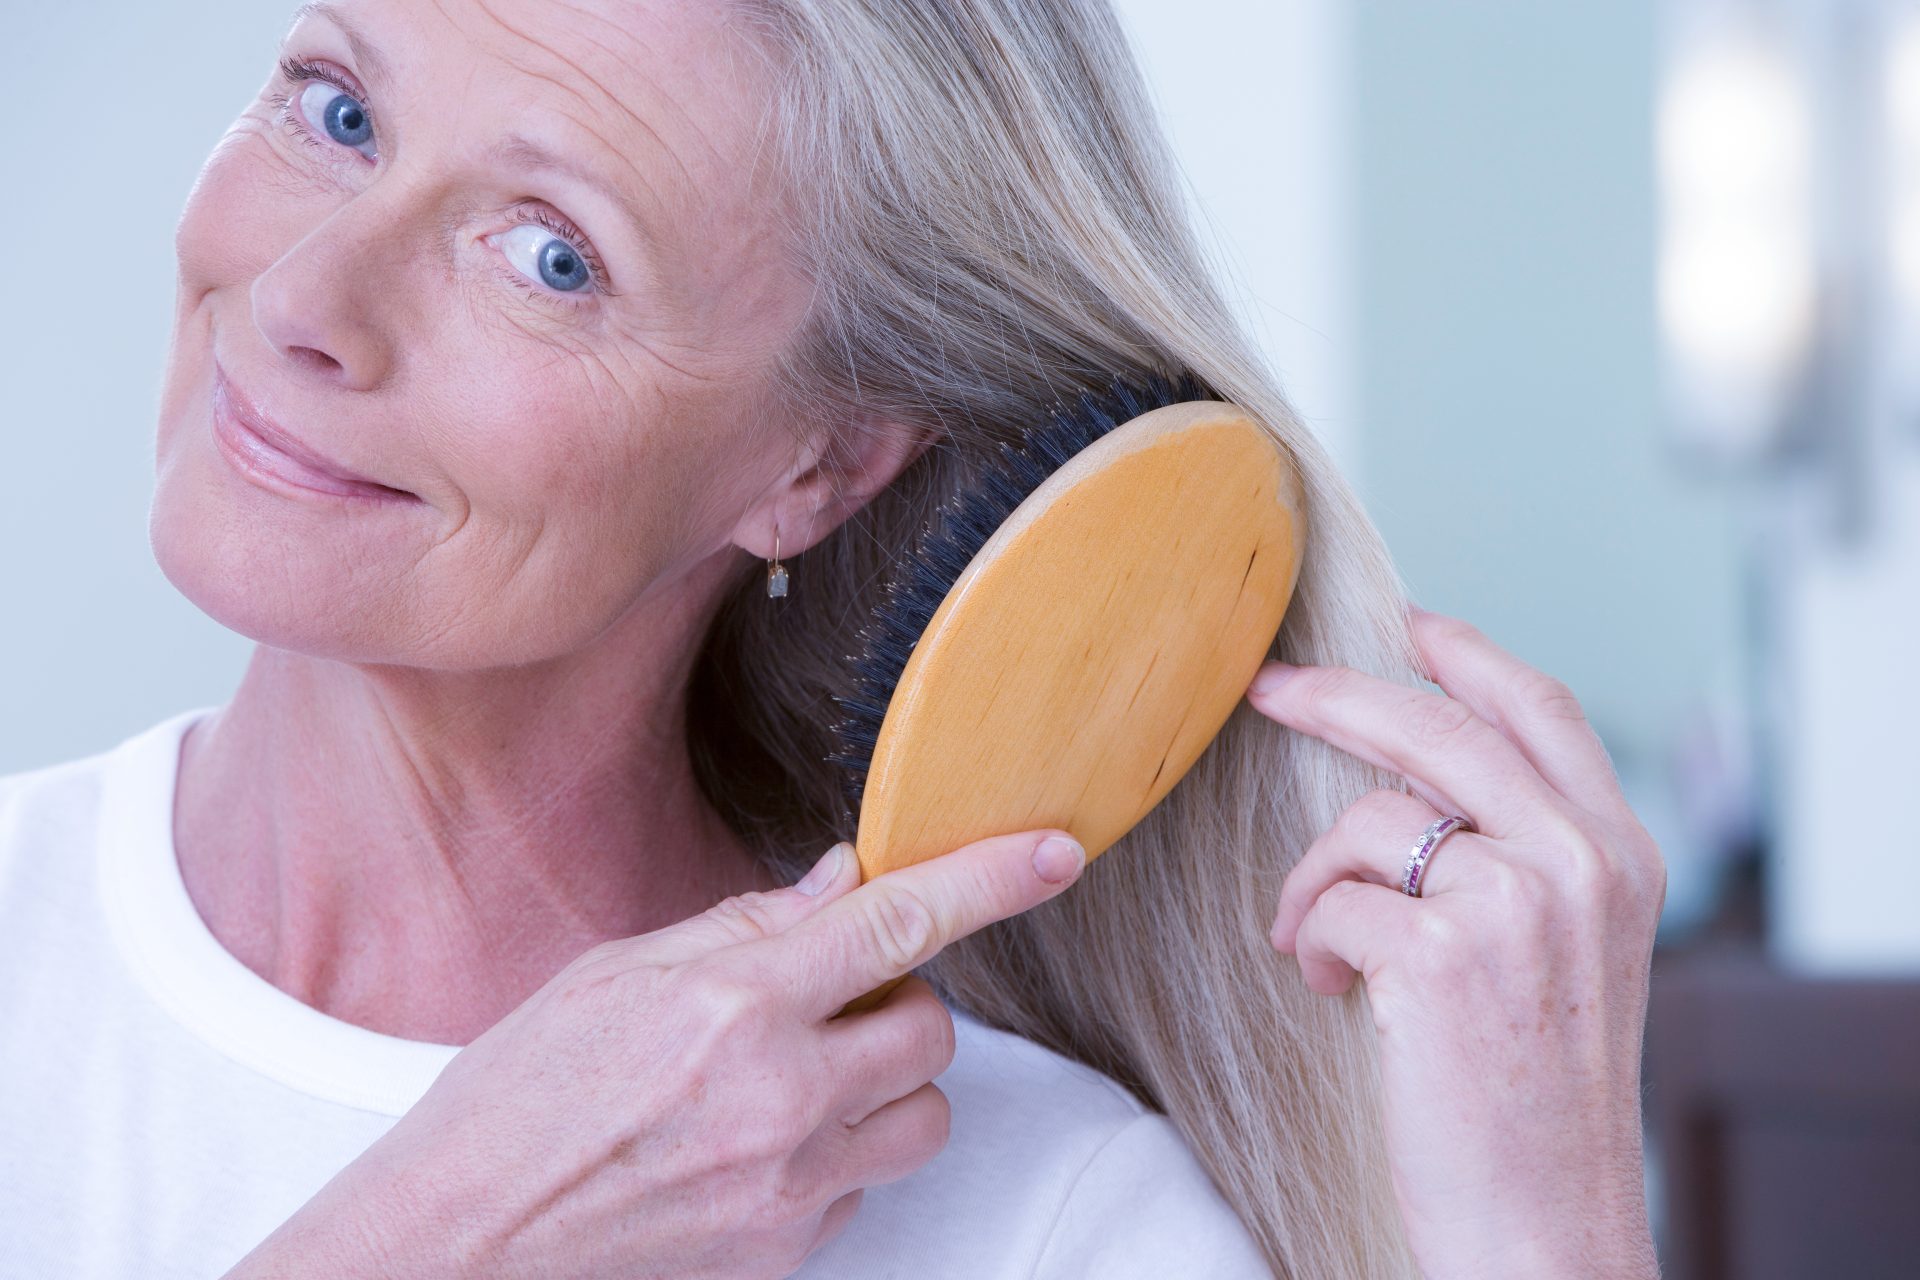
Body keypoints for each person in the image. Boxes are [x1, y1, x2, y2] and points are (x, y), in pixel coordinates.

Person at [0, 0, 1668, 1276]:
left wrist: (1554, 1220)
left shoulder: (1041, 1222)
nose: (302, 294)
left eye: (551, 255)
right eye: (339, 110)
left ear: (819, 467)